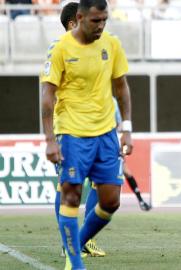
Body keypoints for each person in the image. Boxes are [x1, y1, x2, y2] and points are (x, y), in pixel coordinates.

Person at [41, 0, 132, 269]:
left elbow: (122, 87)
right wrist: (49, 140)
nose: (101, 25)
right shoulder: (59, 49)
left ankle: (76, 245)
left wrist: (126, 128)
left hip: (106, 132)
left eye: (105, 20)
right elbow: (47, 96)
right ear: (79, 17)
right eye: (96, 21)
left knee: (111, 201)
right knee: (71, 193)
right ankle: (75, 262)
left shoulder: (112, 44)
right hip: (71, 133)